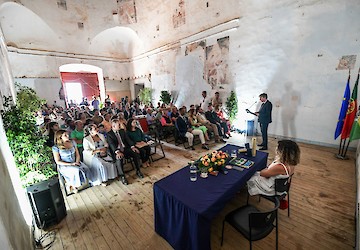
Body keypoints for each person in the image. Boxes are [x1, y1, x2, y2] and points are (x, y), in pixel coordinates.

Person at [107, 119, 144, 185]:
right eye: (119, 125)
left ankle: (138, 171)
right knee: (119, 158)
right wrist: (117, 152)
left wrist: (133, 147)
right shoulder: (109, 134)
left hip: (125, 148)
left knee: (136, 153)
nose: (120, 126)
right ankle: (122, 176)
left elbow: (128, 139)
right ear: (113, 126)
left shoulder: (122, 131)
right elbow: (111, 144)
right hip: (117, 151)